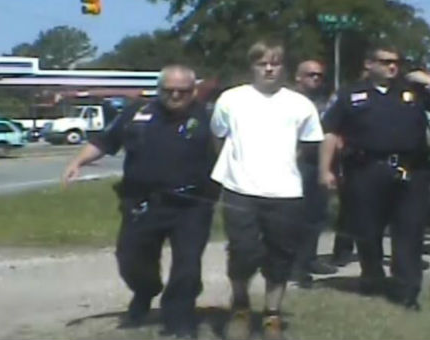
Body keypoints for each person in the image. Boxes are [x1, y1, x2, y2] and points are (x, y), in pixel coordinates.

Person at [61, 65, 218, 338]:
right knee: (131, 260)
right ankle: (145, 290)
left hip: (192, 205)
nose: (176, 96)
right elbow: (105, 141)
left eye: (183, 91)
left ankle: (179, 319)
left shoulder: (209, 118)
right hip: (143, 202)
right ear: (159, 90)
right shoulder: (136, 113)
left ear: (193, 91)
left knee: (188, 265)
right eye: (169, 91)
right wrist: (77, 161)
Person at [319, 43, 430, 310]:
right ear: (368, 64)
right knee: (367, 229)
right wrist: (325, 169)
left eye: (396, 61)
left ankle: (407, 289)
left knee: (409, 229)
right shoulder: (350, 94)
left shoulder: (413, 91)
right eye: (384, 62)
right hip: (366, 169)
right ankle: (372, 276)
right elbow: (330, 132)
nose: (392, 66)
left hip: (412, 169)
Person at [210, 40, 323, 340]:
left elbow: (309, 145)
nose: (269, 68)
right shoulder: (231, 100)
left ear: (284, 67)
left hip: (286, 193)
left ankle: (272, 314)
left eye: (275, 63)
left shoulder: (300, 105)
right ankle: (241, 307)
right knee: (243, 253)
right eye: (263, 63)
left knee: (280, 256)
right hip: (240, 189)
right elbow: (218, 137)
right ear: (253, 66)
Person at [291, 59, 338, 287]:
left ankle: (309, 258)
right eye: (311, 75)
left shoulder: (324, 103)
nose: (316, 79)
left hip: (318, 163)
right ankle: (293, 265)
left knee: (317, 214)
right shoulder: (287, 101)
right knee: (295, 216)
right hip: (294, 162)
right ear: (298, 77)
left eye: (319, 75)